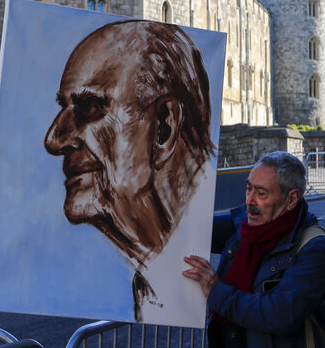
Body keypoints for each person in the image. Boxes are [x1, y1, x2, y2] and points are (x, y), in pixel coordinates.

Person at [44, 19, 215, 322]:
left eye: (90, 108)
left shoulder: (228, 257)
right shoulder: (148, 275)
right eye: (63, 109)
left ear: (164, 127)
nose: (54, 140)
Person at [183, 152, 325, 348]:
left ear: (291, 199)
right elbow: (193, 227)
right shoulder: (243, 225)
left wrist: (216, 291)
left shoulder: (314, 248)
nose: (249, 200)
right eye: (248, 188)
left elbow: (281, 314)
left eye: (261, 193)